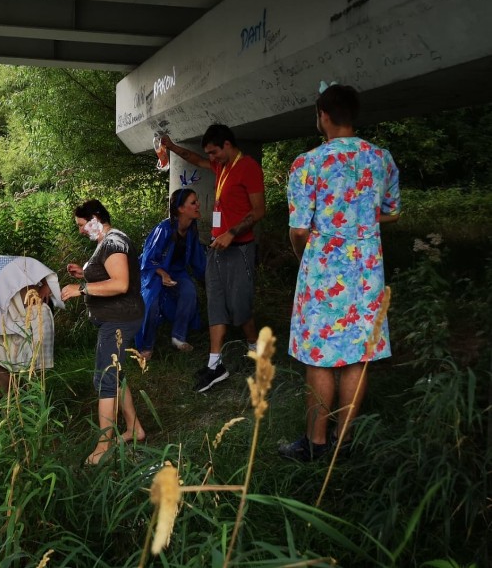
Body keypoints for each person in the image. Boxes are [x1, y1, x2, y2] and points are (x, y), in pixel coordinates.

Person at [280, 83, 400, 461]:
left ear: (324, 116)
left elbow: (299, 229)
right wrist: (361, 221)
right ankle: (343, 444)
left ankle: (316, 445)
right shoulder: (381, 158)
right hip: (367, 273)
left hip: (322, 273)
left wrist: (304, 255)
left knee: (320, 356)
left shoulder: (309, 163)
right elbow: (393, 210)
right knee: (357, 357)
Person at [162, 126, 265, 392]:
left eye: (214, 152)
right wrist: (172, 147)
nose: (211, 157)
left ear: (228, 144)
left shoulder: (248, 167)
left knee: (239, 302)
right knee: (217, 301)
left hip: (240, 247)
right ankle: (214, 365)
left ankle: (256, 350)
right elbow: (195, 159)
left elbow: (259, 210)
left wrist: (232, 232)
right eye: (208, 153)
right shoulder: (222, 166)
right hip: (217, 248)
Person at [61, 199, 146, 465]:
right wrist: (84, 275)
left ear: (96, 217)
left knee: (105, 379)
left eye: (82, 224)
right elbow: (107, 277)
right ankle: (134, 429)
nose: (81, 230)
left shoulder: (114, 242)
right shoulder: (105, 243)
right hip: (113, 320)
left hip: (120, 320)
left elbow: (120, 284)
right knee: (115, 374)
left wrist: (81, 290)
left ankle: (103, 445)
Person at [0, 254, 63, 392]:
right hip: (2, 326)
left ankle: (34, 405)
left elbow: (29, 264)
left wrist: (46, 284)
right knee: (0, 364)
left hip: (31, 315)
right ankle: (10, 408)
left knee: (32, 370)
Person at [135, 188, 206, 359]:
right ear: (181, 209)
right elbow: (147, 259)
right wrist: (162, 274)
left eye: (197, 201)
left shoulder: (191, 230)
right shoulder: (164, 229)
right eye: (193, 202)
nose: (198, 205)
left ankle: (178, 337)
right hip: (152, 272)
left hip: (176, 272)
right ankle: (146, 346)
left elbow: (198, 260)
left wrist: (207, 280)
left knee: (188, 290)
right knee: (152, 301)